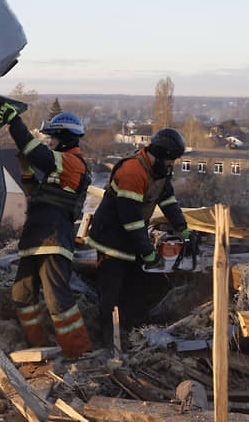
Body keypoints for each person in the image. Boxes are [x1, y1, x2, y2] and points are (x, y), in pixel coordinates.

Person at [0, 105, 93, 358]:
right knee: (22, 294)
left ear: (65, 138)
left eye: (53, 137)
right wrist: (25, 170)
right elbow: (38, 194)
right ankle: (36, 348)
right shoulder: (60, 168)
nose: (51, 142)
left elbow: (37, 153)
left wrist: (14, 122)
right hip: (36, 239)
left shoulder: (72, 163)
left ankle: (78, 353)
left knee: (57, 299)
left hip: (54, 239)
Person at [85, 127, 192, 349]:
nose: (173, 165)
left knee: (136, 287)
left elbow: (168, 201)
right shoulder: (132, 171)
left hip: (131, 236)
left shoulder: (160, 171)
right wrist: (148, 252)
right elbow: (130, 219)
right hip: (111, 237)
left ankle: (134, 332)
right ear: (161, 155)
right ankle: (108, 341)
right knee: (111, 290)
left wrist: (182, 227)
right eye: (171, 161)